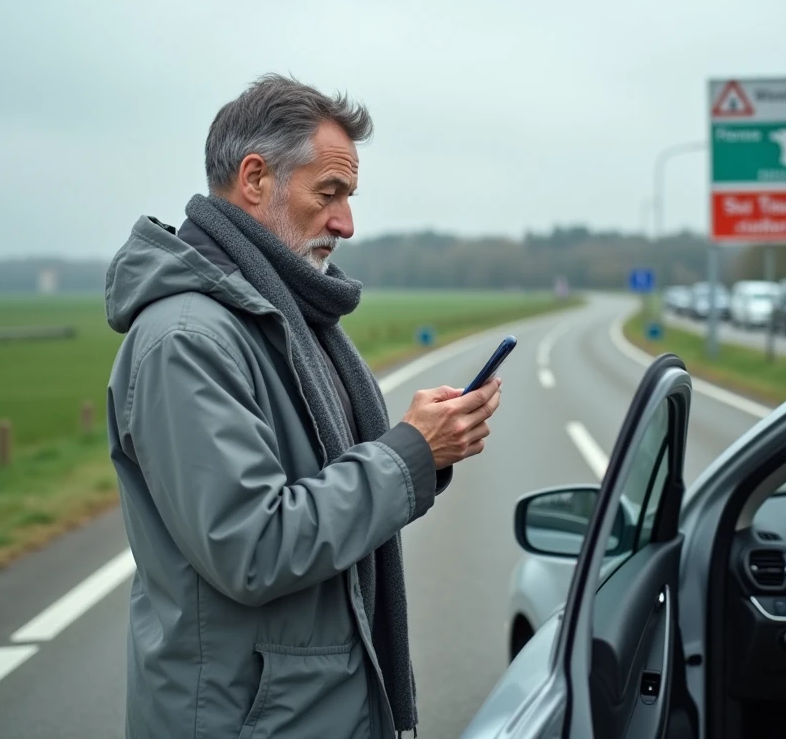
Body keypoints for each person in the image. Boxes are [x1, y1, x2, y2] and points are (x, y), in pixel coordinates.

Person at [104, 73, 503, 739]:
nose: (346, 222)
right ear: (255, 179)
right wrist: (410, 452)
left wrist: (424, 449)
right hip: (245, 721)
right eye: (330, 193)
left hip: (307, 709)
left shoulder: (287, 321)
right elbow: (252, 546)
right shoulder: (186, 341)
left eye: (348, 196)